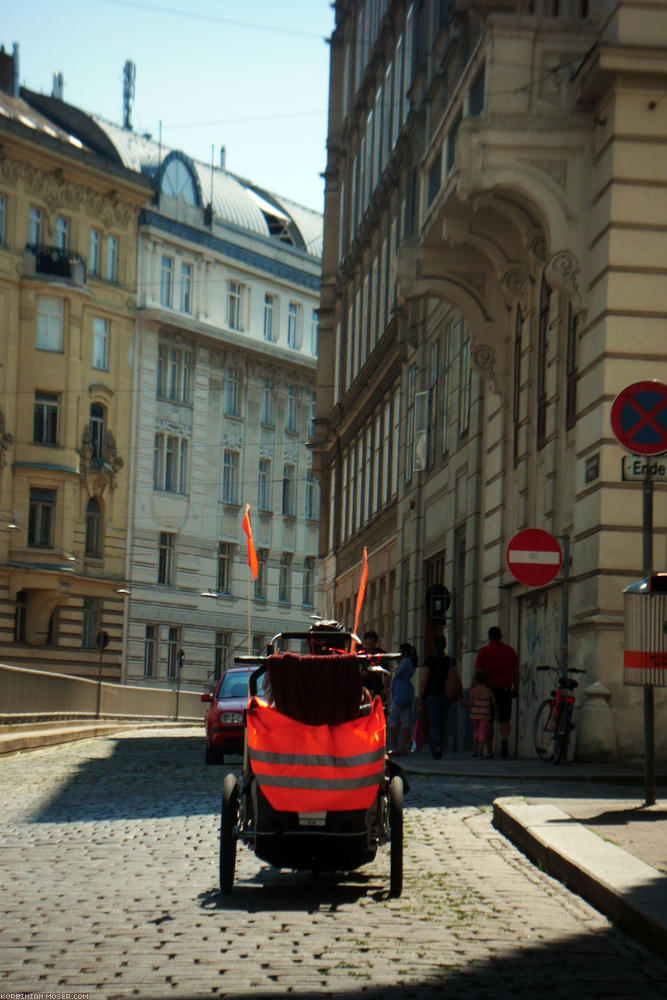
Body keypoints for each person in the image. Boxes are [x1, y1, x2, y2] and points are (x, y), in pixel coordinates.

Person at [473, 626, 519, 759]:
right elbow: (515, 671)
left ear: (489, 637)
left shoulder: (483, 651)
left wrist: (475, 687)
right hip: (505, 689)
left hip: (489, 690)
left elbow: (478, 671)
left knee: (489, 720)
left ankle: (490, 750)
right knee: (505, 719)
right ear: (501, 636)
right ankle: (504, 740)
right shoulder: (510, 651)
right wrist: (516, 687)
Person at [418, 635, 455, 759]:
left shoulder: (430, 661)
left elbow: (424, 679)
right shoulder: (449, 661)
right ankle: (440, 745)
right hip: (446, 695)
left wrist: (420, 696)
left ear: (434, 646)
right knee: (442, 722)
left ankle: (436, 747)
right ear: (445, 646)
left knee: (434, 722)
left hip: (431, 695)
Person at [461, 668, 497, 758]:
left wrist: (463, 703)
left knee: (476, 732)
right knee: (482, 733)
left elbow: (470, 703)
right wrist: (497, 712)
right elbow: (494, 703)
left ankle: (476, 750)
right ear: (486, 680)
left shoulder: (473, 691)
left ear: (476, 680)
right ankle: (480, 752)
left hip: (474, 715)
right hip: (484, 715)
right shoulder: (489, 691)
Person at [388, 643, 416, 754]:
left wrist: (397, 667)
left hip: (400, 693)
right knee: (405, 720)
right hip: (408, 692)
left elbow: (398, 674)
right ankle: (405, 747)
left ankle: (395, 746)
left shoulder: (405, 661)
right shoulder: (412, 662)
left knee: (392, 718)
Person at [360, 629, 388, 700]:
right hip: (363, 686)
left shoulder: (381, 654)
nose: (370, 647)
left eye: (372, 645)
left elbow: (386, 673)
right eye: (368, 645)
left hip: (377, 687)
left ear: (375, 643)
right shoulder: (361, 654)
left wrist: (385, 688)